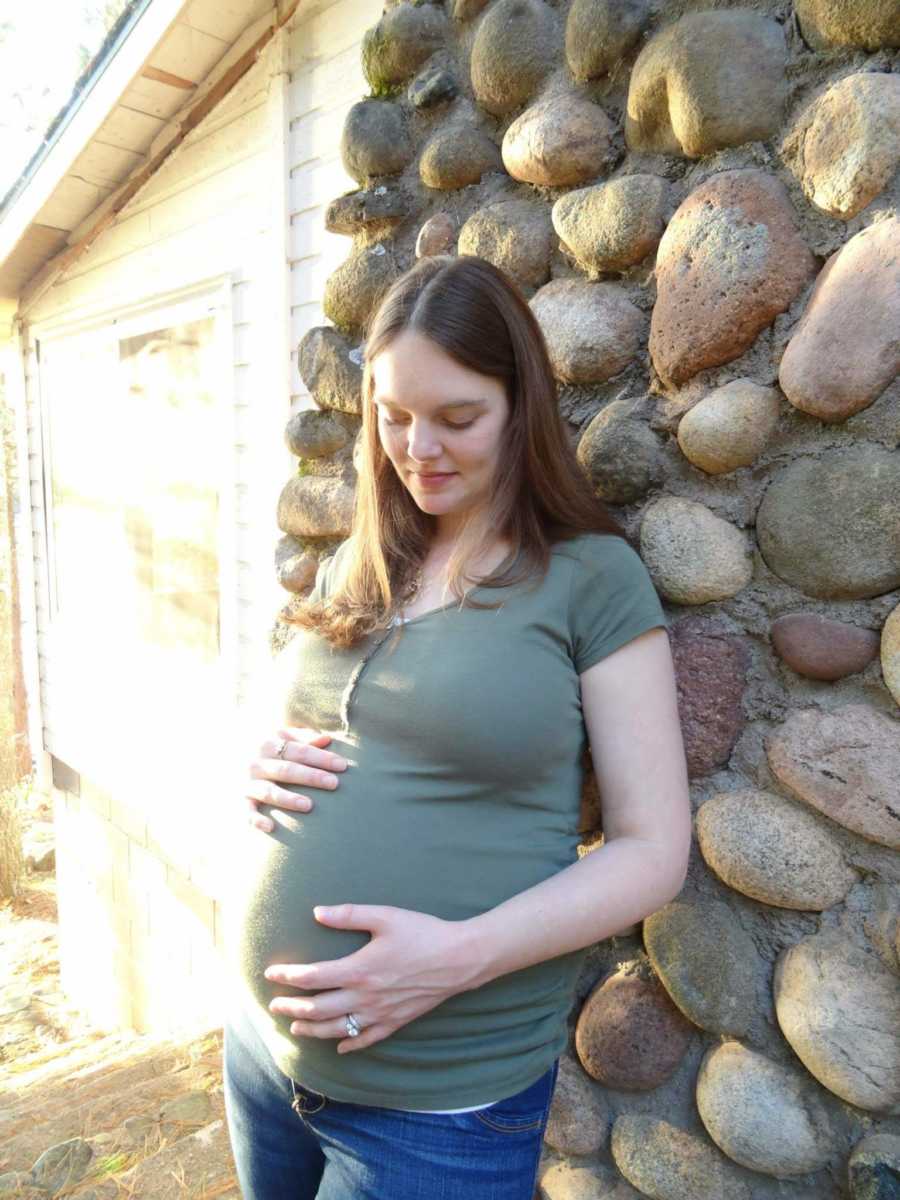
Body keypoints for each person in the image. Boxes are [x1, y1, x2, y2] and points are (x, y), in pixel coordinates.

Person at [221, 254, 691, 1200]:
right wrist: (248, 755)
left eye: (457, 418)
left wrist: (452, 959)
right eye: (392, 416)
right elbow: (295, 724)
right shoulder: (360, 563)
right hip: (263, 1059)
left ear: (520, 407)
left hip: (436, 1107)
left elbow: (652, 850)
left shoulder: (588, 578)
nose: (417, 447)